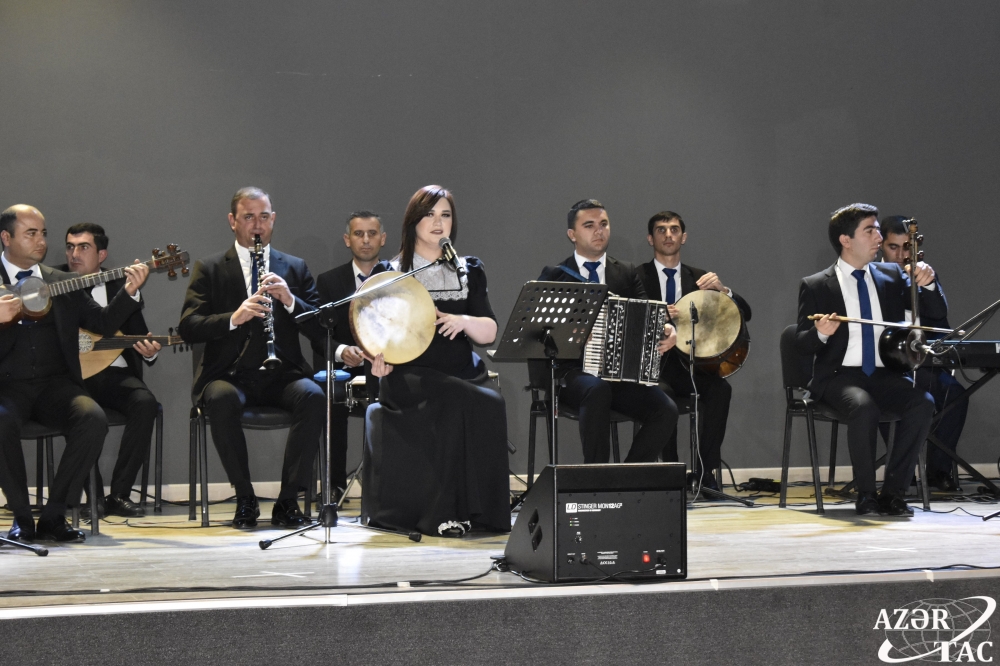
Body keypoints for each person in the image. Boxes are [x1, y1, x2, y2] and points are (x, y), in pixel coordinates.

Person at [363, 185, 510, 538]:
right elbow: (371, 329)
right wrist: (378, 360)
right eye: (429, 214)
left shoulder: (468, 269)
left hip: (462, 370)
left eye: (445, 215)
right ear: (413, 221)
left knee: (490, 402)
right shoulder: (390, 271)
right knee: (453, 398)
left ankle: (482, 514)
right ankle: (441, 514)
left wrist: (463, 321)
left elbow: (489, 331)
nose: (438, 222)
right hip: (410, 374)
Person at [178, 187, 327, 529]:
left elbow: (321, 328)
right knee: (221, 399)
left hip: (283, 374)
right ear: (233, 221)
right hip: (230, 375)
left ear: (273, 219)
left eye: (264, 217)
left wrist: (290, 301)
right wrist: (234, 317)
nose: (257, 225)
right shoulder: (210, 268)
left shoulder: (295, 267)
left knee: (313, 396)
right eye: (248, 217)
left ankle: (288, 500)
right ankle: (245, 498)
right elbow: (189, 326)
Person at [0, 205, 149, 542]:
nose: (41, 241)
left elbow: (102, 322)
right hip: (6, 388)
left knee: (91, 418)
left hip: (55, 385)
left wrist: (129, 292)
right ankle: (21, 517)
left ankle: (54, 515)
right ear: (6, 238)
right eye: (31, 233)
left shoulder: (62, 282)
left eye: (43, 233)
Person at [795, 203, 944, 516]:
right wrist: (821, 334)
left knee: (923, 403)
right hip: (839, 377)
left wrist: (929, 283)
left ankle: (893, 494)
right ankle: (866, 495)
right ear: (846, 240)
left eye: (877, 230)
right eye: (870, 230)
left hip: (884, 374)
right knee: (863, 408)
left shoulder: (891, 275)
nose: (878, 237)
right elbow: (802, 344)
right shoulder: (817, 284)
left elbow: (935, 314)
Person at [537, 199, 679, 465]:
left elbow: (649, 315)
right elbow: (541, 331)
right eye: (589, 225)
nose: (598, 230)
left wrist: (668, 330)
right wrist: (571, 332)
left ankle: (627, 477)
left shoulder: (626, 272)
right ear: (572, 234)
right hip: (571, 375)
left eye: (603, 224)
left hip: (618, 375)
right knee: (597, 389)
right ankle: (597, 476)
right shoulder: (555, 275)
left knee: (665, 409)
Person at [635, 211, 752, 491]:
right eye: (661, 230)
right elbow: (627, 319)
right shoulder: (636, 277)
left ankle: (705, 474)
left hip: (691, 365)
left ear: (683, 237)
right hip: (652, 365)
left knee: (721, 390)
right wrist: (658, 316)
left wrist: (724, 290)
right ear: (650, 239)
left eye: (674, 229)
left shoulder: (699, 278)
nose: (668, 235)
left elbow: (745, 313)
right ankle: (672, 472)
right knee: (662, 395)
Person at [56, 223, 162, 518]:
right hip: (72, 376)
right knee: (82, 414)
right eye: (70, 247)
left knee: (145, 403)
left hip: (115, 373)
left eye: (83, 247)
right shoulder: (55, 283)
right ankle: (94, 498)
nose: (74, 254)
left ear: (101, 255)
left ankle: (119, 494)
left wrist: (150, 351)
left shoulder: (120, 287)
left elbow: (139, 334)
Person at [879, 215, 966, 492]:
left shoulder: (924, 274)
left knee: (955, 395)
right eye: (894, 247)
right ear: (881, 246)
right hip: (888, 367)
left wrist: (927, 285)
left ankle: (938, 470)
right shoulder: (871, 277)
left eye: (907, 247)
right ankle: (901, 473)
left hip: (925, 366)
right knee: (891, 395)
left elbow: (939, 316)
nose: (901, 255)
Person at [310, 210, 386, 499]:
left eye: (372, 234)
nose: (365, 240)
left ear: (383, 239)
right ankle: (334, 485)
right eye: (358, 234)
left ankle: (387, 483)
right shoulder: (329, 281)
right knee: (331, 392)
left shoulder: (397, 278)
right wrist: (342, 352)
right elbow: (319, 336)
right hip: (347, 368)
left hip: (389, 365)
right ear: (347, 239)